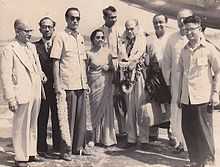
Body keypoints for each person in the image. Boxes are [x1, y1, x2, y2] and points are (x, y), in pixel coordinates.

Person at [0, 19, 46, 167]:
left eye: (30, 31)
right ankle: (20, 157)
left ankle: (31, 153)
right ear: (17, 31)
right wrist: (10, 98)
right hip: (21, 91)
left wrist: (41, 74)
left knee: (33, 123)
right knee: (20, 125)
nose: (29, 34)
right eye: (26, 31)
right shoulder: (9, 48)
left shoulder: (31, 47)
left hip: (35, 90)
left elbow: (36, 66)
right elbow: (5, 75)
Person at [178, 15, 220, 167]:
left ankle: (209, 161)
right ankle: (195, 160)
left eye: (191, 29)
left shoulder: (209, 49)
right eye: (186, 29)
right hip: (186, 98)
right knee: (188, 130)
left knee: (204, 132)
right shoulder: (184, 50)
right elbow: (182, 75)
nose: (188, 33)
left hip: (202, 97)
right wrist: (179, 96)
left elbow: (218, 71)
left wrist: (215, 93)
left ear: (200, 29)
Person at [50, 7, 90, 160]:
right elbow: (55, 61)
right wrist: (57, 84)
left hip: (80, 83)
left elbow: (83, 62)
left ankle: (78, 148)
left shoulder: (80, 37)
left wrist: (85, 82)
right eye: (72, 18)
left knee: (81, 119)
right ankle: (65, 149)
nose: (75, 21)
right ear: (66, 19)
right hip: (67, 84)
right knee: (67, 119)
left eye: (77, 18)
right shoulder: (60, 36)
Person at [163, 9, 193, 153]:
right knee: (176, 113)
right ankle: (181, 143)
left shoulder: (195, 38)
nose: (182, 21)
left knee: (191, 114)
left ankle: (192, 147)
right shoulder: (172, 39)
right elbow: (166, 63)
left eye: (185, 18)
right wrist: (168, 82)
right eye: (180, 18)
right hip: (176, 83)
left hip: (193, 85)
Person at [144, 14, 173, 143]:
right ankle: (153, 132)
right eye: (155, 23)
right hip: (153, 76)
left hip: (168, 76)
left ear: (166, 22)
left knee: (170, 105)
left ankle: (172, 134)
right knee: (154, 102)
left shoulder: (171, 38)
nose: (158, 25)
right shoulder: (149, 39)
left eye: (161, 22)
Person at [35, 17, 61, 157]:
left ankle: (57, 146)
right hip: (42, 88)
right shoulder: (34, 47)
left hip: (57, 87)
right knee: (42, 117)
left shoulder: (58, 45)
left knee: (58, 117)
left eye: (49, 27)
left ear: (53, 28)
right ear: (40, 29)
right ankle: (41, 147)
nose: (47, 29)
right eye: (44, 27)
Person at [99, 6, 127, 137]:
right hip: (105, 67)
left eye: (115, 17)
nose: (114, 20)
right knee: (106, 99)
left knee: (120, 99)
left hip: (119, 66)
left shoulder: (121, 30)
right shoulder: (100, 31)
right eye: (111, 17)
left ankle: (123, 131)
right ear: (104, 17)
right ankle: (107, 133)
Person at [87, 29, 117, 147]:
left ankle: (107, 139)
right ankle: (94, 138)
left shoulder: (108, 53)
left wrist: (108, 67)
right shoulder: (88, 53)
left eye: (102, 37)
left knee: (107, 110)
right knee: (94, 110)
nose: (100, 40)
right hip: (93, 84)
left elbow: (114, 68)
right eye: (97, 37)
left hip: (106, 84)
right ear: (93, 39)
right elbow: (85, 70)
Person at [120, 19, 147, 146]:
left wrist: (128, 62)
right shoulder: (123, 41)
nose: (130, 31)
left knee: (141, 106)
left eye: (132, 28)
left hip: (139, 76)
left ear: (137, 27)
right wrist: (126, 63)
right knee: (129, 107)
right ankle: (131, 138)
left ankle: (143, 138)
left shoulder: (142, 39)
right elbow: (122, 58)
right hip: (126, 77)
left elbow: (135, 58)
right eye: (127, 28)